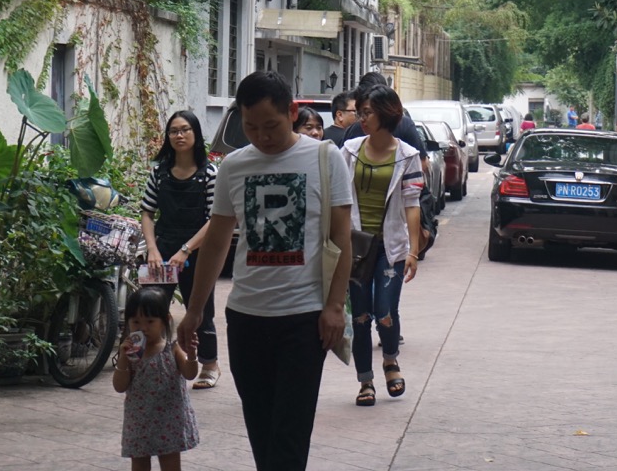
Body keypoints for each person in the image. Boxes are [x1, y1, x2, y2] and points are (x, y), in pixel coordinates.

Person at [177, 71, 353, 471]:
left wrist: (334, 306)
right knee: (260, 430)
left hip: (304, 320)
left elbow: (341, 239)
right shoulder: (234, 166)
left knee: (289, 435)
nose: (261, 136)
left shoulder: (325, 159)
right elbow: (217, 241)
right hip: (246, 319)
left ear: (291, 112)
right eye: (251, 127)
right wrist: (195, 310)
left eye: (270, 125)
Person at [340, 84, 422, 408]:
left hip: (392, 246)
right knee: (360, 316)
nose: (362, 118)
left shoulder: (408, 155)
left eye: (368, 113)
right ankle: (365, 381)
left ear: (386, 114)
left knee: (385, 311)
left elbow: (412, 204)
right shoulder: (349, 151)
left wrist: (413, 251)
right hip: (356, 245)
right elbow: (337, 197)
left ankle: (390, 358)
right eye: (360, 112)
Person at [140, 110, 221, 389]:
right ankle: (150, 362)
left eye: (185, 129)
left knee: (200, 309)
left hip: (197, 252)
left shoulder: (209, 174)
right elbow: (147, 212)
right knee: (151, 307)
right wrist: (152, 249)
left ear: (196, 134)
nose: (179, 135)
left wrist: (186, 249)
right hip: (162, 250)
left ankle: (209, 365)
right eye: (174, 131)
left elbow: (214, 219)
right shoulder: (159, 172)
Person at [114, 287, 200, 471]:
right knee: (139, 464)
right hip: (139, 421)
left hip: (169, 421)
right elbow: (119, 386)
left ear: (165, 320)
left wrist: (192, 355)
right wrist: (122, 358)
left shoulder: (172, 349)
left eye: (150, 321)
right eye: (136, 322)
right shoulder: (132, 354)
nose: (142, 328)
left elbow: (189, 373)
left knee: (170, 464)